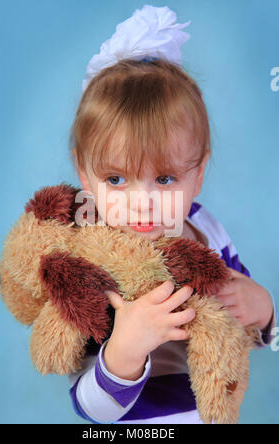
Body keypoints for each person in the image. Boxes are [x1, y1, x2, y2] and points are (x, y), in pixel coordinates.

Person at [67, 5, 277, 424]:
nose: (143, 202)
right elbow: (90, 411)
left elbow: (245, 332)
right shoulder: (87, 261)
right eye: (116, 178)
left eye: (164, 179)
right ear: (83, 175)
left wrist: (266, 310)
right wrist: (125, 350)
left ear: (197, 176)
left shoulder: (207, 233)